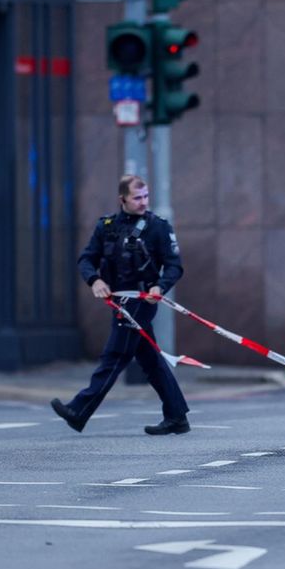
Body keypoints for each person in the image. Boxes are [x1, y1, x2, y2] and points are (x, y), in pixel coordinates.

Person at [51, 174, 191, 435]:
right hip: (119, 301)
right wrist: (94, 280)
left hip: (141, 301)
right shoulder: (106, 226)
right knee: (150, 360)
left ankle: (79, 410)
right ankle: (177, 416)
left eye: (146, 196)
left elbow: (174, 266)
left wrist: (160, 287)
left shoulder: (158, 227)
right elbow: (86, 259)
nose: (143, 202)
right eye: (137, 198)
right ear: (122, 199)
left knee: (115, 355)